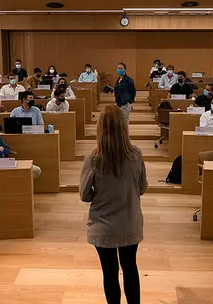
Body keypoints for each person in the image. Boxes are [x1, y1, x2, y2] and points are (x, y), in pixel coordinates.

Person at [80, 105, 147, 304]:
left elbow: (84, 195)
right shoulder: (135, 154)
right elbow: (142, 187)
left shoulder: (93, 158)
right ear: (124, 127)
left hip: (103, 226)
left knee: (109, 272)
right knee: (130, 267)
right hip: (130, 222)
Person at [0, 111, 41, 180]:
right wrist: (0, 151)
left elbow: (7, 149)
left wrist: (0, 152)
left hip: (5, 162)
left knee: (36, 170)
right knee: (33, 171)